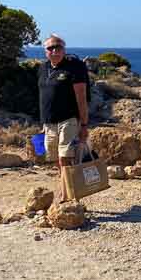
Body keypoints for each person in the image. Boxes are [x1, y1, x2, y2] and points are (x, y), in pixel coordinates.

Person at [38, 33, 89, 202]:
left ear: (64, 49)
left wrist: (84, 125)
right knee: (55, 159)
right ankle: (68, 188)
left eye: (58, 47)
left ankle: (67, 195)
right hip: (49, 122)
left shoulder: (74, 67)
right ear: (45, 51)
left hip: (69, 120)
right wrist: (42, 123)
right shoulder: (43, 68)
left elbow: (81, 98)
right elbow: (43, 96)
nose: (54, 50)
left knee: (65, 157)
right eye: (50, 48)